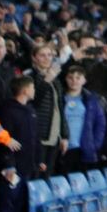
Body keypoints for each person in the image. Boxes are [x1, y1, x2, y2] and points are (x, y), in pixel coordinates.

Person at [0, 76, 40, 212]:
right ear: (25, 90)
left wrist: (38, 161)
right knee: (7, 205)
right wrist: (8, 164)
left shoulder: (31, 111)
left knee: (20, 206)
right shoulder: (8, 111)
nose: (34, 91)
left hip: (26, 167)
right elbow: (4, 140)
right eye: (33, 87)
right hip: (12, 169)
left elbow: (34, 139)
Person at [25, 44, 67, 175]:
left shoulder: (56, 80)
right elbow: (33, 102)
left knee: (47, 176)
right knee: (36, 175)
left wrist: (65, 135)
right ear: (34, 58)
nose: (46, 58)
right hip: (38, 136)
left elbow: (60, 108)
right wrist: (47, 80)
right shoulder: (29, 77)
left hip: (54, 136)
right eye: (42, 55)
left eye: (49, 55)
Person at [58, 64, 105, 174]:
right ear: (66, 79)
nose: (74, 81)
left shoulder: (92, 99)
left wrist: (95, 144)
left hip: (85, 147)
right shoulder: (59, 98)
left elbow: (100, 123)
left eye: (78, 77)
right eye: (70, 77)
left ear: (84, 80)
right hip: (64, 148)